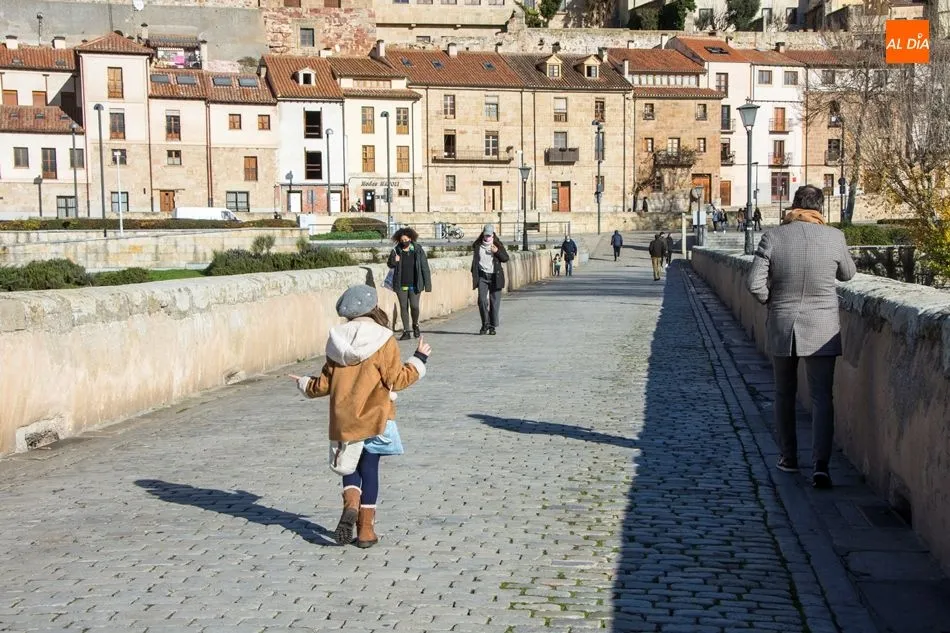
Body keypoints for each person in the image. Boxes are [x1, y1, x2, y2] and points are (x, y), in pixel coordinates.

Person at [290, 284, 432, 547]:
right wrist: (419, 360)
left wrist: (304, 383)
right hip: (376, 417)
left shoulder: (336, 340)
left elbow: (324, 384)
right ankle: (366, 531)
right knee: (369, 469)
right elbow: (396, 380)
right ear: (373, 307)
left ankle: (351, 504)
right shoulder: (383, 339)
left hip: (345, 419)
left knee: (349, 466)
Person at [747, 185, 856, 489]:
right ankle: (821, 466)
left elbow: (754, 283)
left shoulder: (774, 236)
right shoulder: (834, 237)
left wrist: (772, 301)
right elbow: (848, 274)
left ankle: (788, 457)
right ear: (820, 208)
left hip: (783, 323)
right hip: (822, 326)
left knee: (784, 393)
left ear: (794, 205)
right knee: (822, 397)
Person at [387, 227, 432, 341]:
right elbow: (390, 264)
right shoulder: (396, 250)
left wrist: (428, 285)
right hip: (400, 284)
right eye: (402, 240)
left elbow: (424, 267)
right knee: (403, 307)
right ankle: (406, 331)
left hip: (415, 284)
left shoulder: (418, 250)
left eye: (406, 240)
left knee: (414, 306)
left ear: (411, 238)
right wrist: (395, 260)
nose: (404, 242)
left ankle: (415, 325)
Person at [471, 224, 509, 335]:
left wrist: (497, 251)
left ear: (493, 235)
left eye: (489, 235)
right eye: (486, 235)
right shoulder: (478, 245)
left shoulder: (497, 245)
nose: (487, 237)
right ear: (483, 234)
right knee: (482, 300)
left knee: (494, 303)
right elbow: (475, 261)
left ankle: (492, 326)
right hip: (482, 276)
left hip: (495, 277)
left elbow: (505, 258)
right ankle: (485, 323)